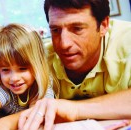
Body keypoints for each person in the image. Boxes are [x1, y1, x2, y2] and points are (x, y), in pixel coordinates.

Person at [18, 0, 131, 130]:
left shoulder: (127, 42)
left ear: (103, 25)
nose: (64, 44)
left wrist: (75, 109)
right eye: (55, 30)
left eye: (77, 29)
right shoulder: (40, 59)